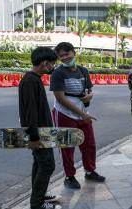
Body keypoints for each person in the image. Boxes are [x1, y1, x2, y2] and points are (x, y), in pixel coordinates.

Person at [50, 42, 105, 189]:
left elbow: (88, 90)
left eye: (67, 54)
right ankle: (69, 176)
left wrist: (89, 96)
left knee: (89, 144)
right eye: (61, 56)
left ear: (74, 53)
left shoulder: (83, 71)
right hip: (64, 112)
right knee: (67, 146)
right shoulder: (57, 73)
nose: (64, 58)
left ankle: (90, 171)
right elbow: (60, 98)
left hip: (82, 111)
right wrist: (82, 114)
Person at [19, 47, 62, 209]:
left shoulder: (34, 79)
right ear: (45, 63)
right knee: (47, 165)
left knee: (39, 164)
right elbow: (29, 112)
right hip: (39, 134)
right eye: (52, 63)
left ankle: (39, 195)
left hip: (42, 132)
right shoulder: (30, 81)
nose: (53, 66)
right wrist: (34, 136)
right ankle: (36, 203)